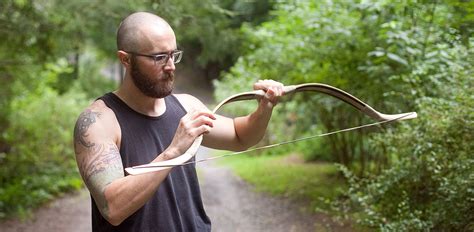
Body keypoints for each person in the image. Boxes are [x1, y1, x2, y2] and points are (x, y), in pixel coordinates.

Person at [73, 11, 284, 231]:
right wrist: (173, 152)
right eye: (159, 57)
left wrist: (265, 107)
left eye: (173, 54)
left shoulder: (186, 106)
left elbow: (241, 137)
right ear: (125, 59)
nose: (171, 65)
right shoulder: (98, 122)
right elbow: (112, 208)